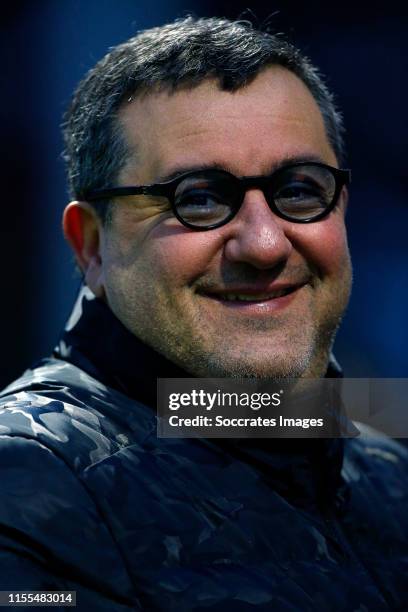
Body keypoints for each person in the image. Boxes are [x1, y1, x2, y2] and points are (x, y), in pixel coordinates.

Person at [0, 16, 407, 611]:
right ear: (91, 245)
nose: (265, 245)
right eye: (199, 198)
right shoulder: (28, 482)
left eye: (298, 188)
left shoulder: (387, 473)